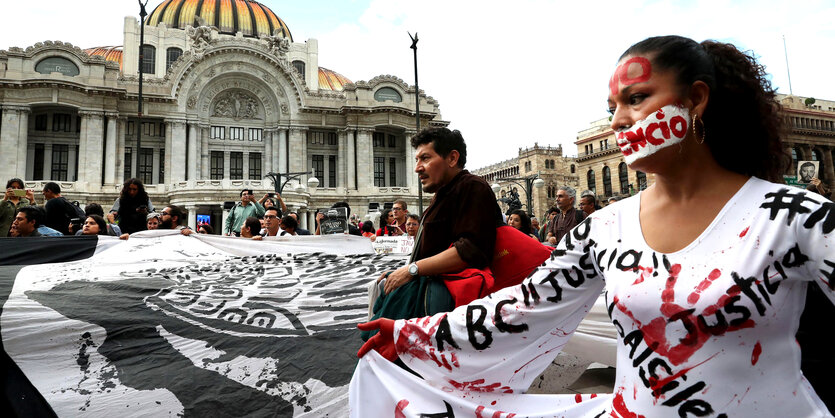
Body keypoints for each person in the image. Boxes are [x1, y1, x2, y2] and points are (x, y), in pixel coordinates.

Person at [354, 36, 832, 417]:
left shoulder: (794, 215)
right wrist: (410, 334)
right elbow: (524, 308)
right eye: (612, 108)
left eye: (638, 98)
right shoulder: (605, 228)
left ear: (696, 100)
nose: (620, 121)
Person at [373, 127, 503, 312]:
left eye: (425, 158)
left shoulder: (472, 187)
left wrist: (413, 270)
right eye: (417, 159)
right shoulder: (442, 194)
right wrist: (403, 272)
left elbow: (471, 249)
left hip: (447, 306)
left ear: (452, 158)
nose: (417, 167)